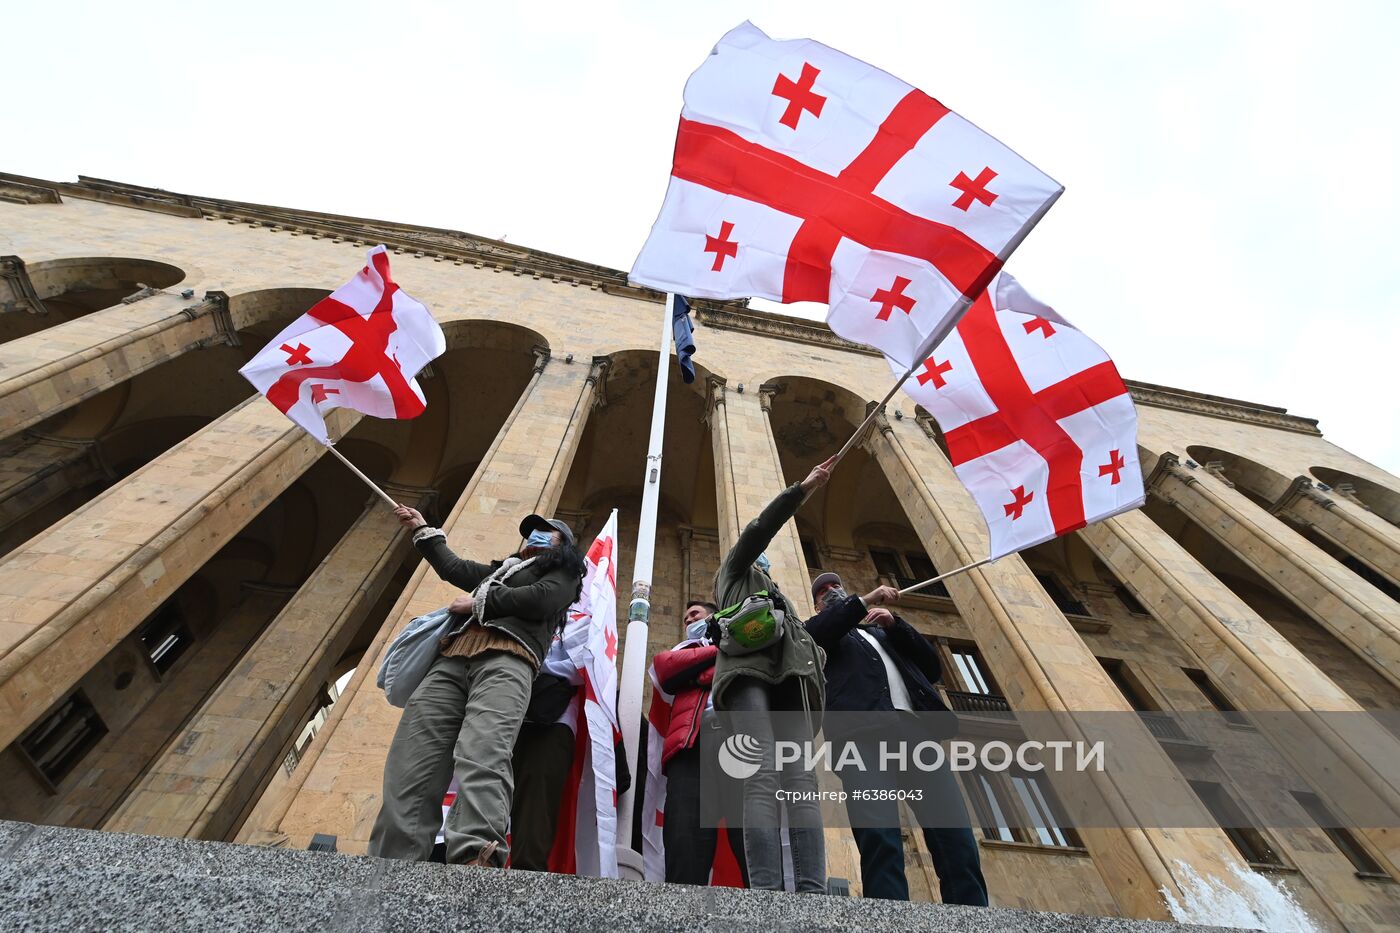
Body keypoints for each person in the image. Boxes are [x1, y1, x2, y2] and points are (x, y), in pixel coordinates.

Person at [369, 506, 585, 868]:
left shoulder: (565, 571)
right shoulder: (501, 572)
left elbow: (542, 599)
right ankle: (392, 862)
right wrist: (423, 529)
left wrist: (479, 601)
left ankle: (476, 858)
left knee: (483, 754)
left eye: (547, 531)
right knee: (412, 761)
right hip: (450, 660)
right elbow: (455, 568)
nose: (535, 535)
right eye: (533, 530)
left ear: (563, 543)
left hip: (508, 660)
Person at [806, 571, 989, 906]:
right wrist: (862, 602)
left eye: (835, 586)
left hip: (916, 736)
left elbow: (932, 668)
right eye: (822, 593)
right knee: (879, 834)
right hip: (859, 739)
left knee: (954, 834)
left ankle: (972, 915)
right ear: (817, 607)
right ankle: (889, 915)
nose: (830, 591)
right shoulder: (818, 633)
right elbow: (816, 635)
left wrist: (896, 624)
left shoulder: (884, 632)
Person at [711, 456, 836, 894]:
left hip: (789, 682)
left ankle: (811, 890)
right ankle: (764, 891)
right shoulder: (733, 573)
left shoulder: (778, 594)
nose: (762, 560)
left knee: (801, 781)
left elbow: (805, 647)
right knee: (761, 775)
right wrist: (801, 490)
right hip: (747, 676)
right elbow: (757, 531)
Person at [654, 600, 748, 886]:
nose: (688, 620)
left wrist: (695, 675)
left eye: (694, 614)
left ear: (713, 617)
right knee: (685, 837)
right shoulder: (685, 649)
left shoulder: (739, 638)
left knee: (750, 832)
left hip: (739, 743)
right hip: (690, 745)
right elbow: (665, 667)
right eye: (684, 618)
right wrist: (720, 655)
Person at [507, 632, 582, 871]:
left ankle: (525, 876)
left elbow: (586, 664)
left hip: (551, 716)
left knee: (536, 799)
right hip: (505, 705)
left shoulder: (591, 612)